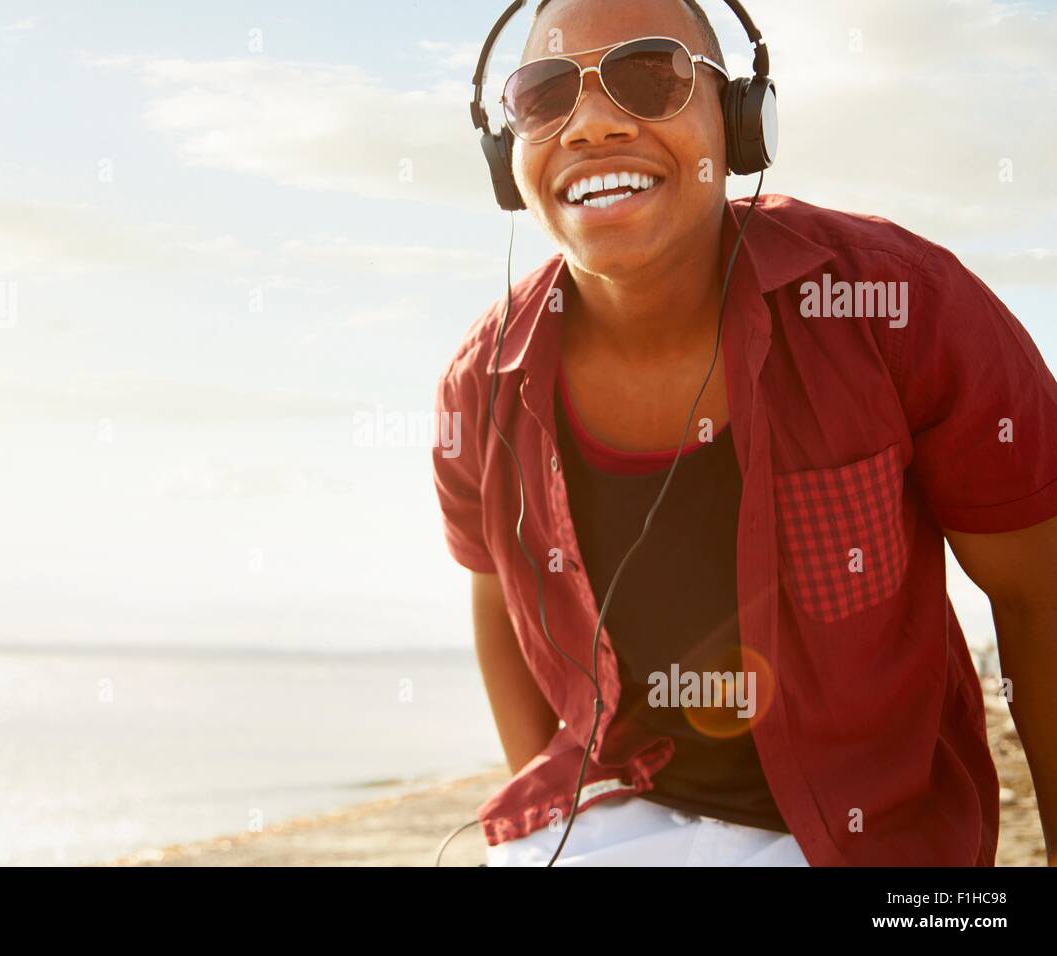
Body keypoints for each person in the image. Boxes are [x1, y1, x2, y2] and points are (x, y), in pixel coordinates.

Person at [432, 0, 1057, 866]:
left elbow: (1039, 597)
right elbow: (499, 593)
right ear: (508, 156)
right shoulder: (481, 383)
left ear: (739, 124)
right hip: (621, 811)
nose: (594, 124)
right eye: (545, 97)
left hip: (871, 834)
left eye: (648, 78)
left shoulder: (901, 308)